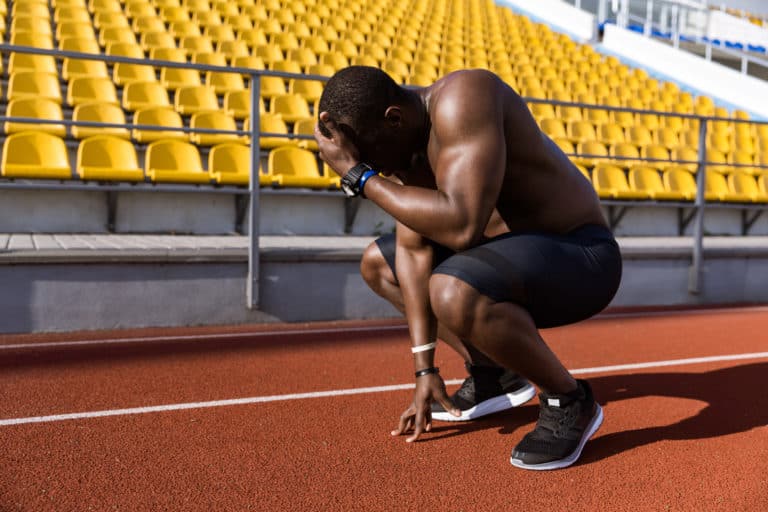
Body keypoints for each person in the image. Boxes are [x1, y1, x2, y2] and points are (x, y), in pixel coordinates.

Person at [313, 66, 622, 470]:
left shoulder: (464, 98)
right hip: (503, 260)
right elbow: (412, 252)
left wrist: (360, 176)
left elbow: (462, 224)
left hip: (581, 255)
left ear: (393, 118)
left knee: (452, 289)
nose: (378, 168)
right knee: (380, 265)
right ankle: (494, 373)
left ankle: (569, 399)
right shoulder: (404, 149)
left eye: (369, 154)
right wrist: (424, 368)